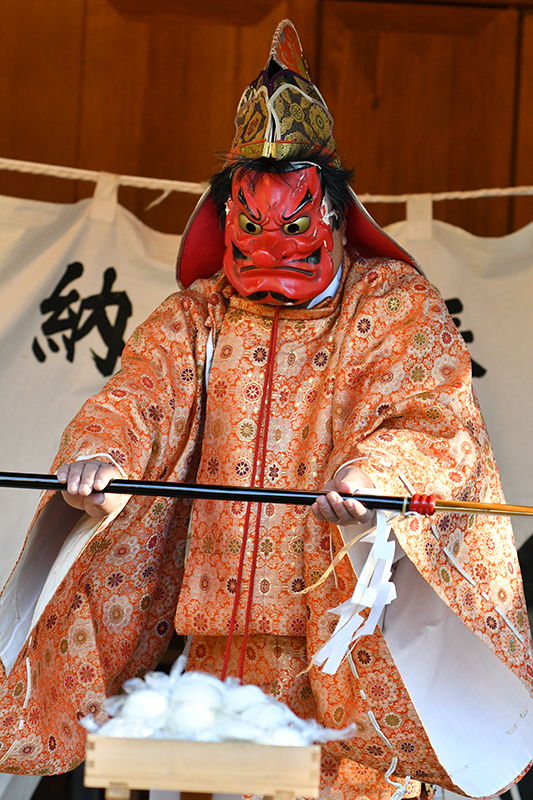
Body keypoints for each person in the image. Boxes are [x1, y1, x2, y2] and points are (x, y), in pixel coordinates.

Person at [0, 19, 532, 800]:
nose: (271, 246)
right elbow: (138, 397)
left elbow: (431, 421)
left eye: (294, 224)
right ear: (224, 219)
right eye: (250, 226)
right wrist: (104, 456)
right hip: (211, 664)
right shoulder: (198, 316)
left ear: (334, 215)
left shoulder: (392, 306)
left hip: (342, 661)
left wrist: (375, 475)